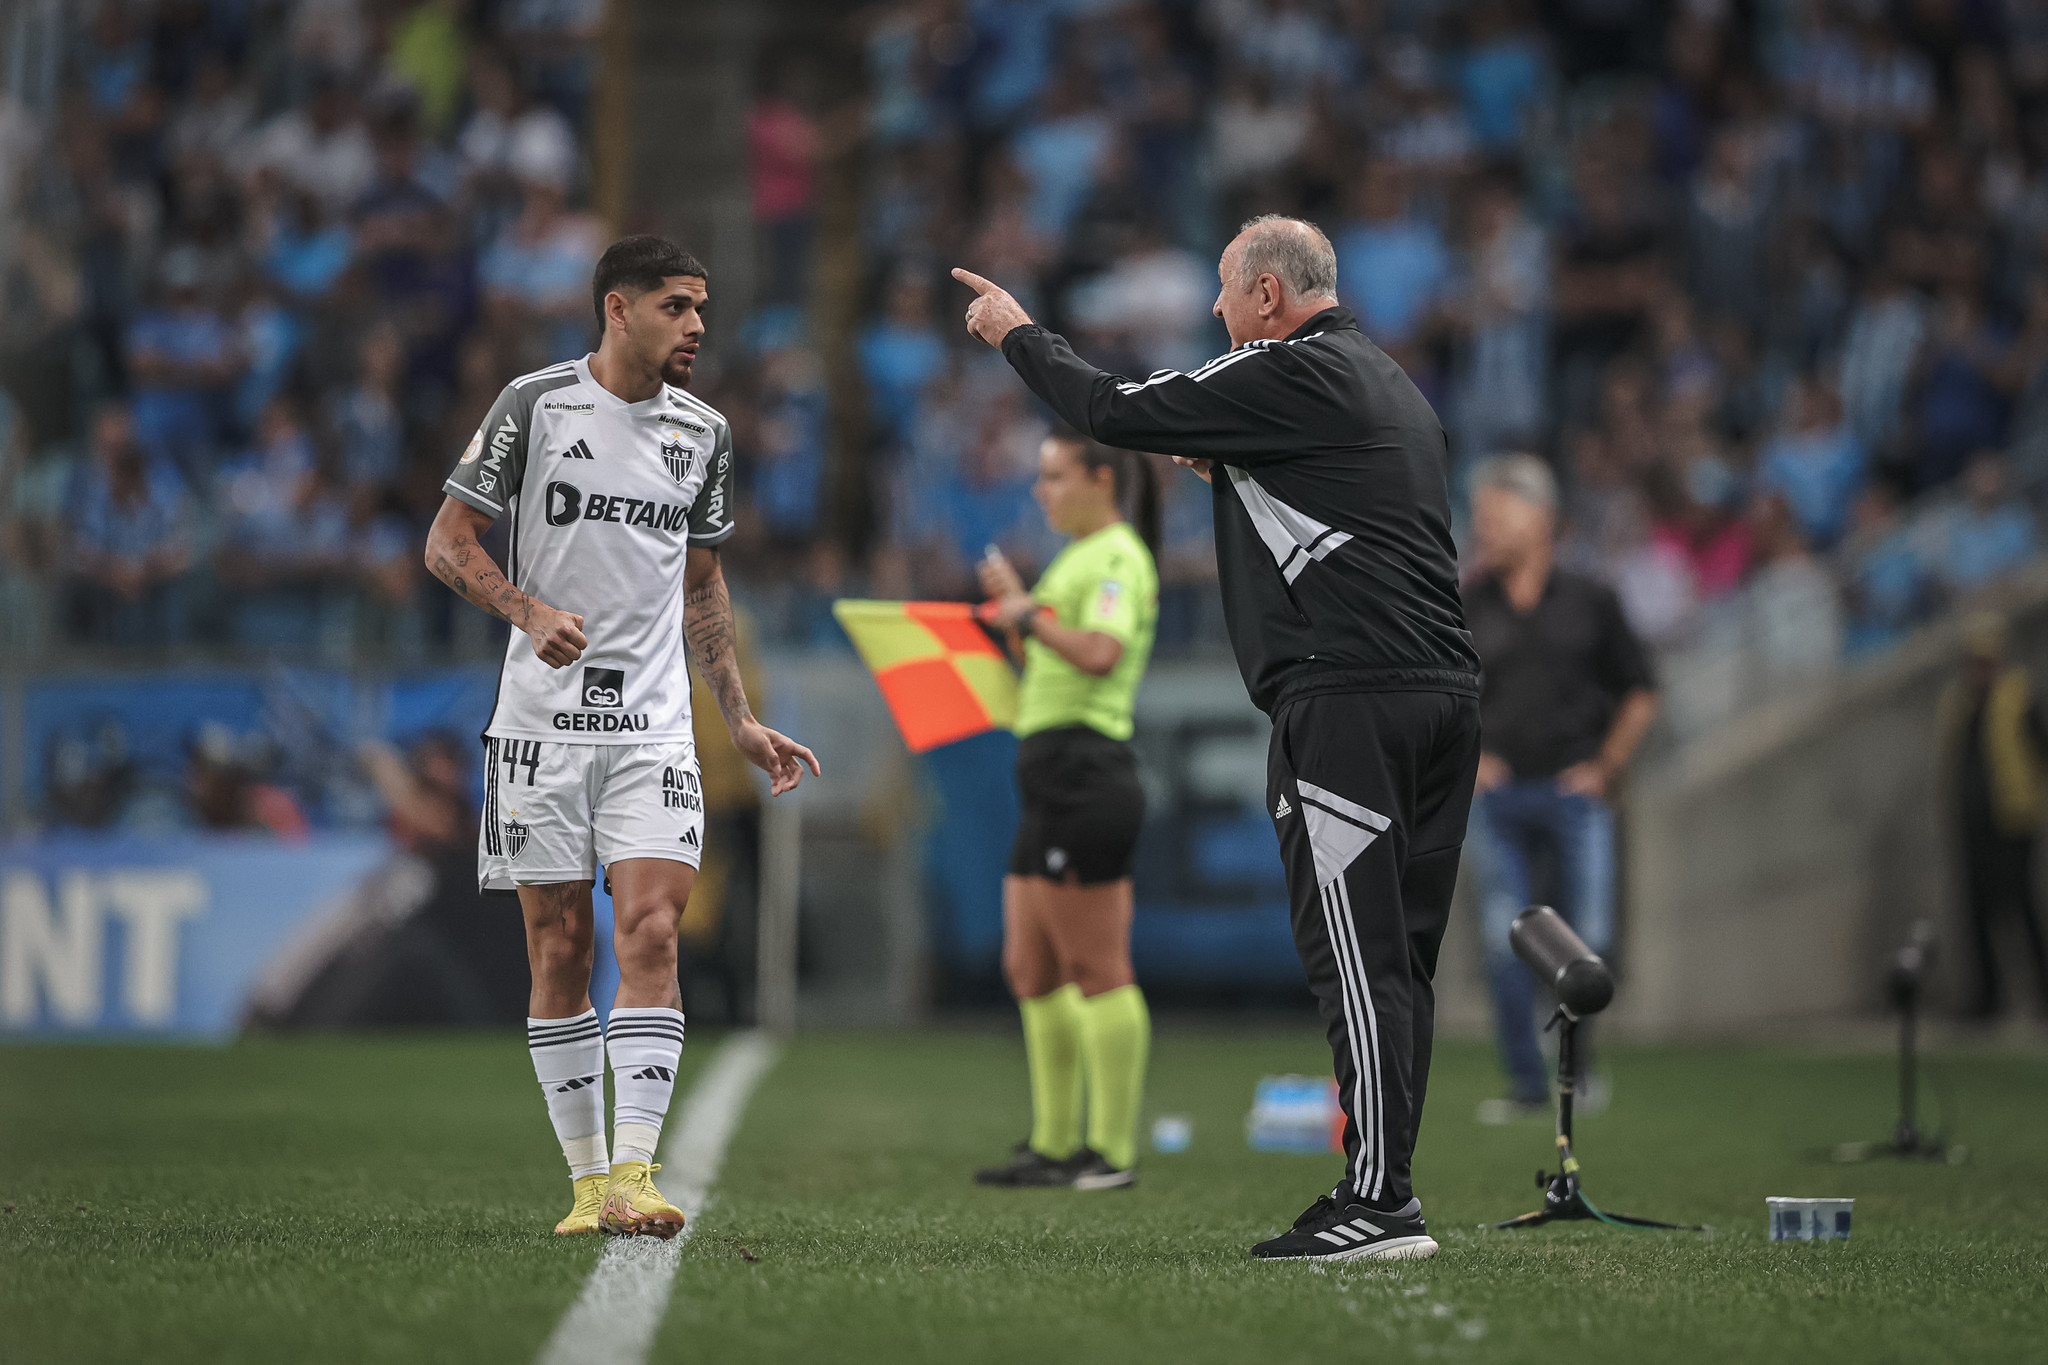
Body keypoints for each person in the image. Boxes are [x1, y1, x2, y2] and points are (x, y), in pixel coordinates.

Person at [954, 214, 1482, 1263]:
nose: (1214, 308)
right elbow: (1341, 504)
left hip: (1348, 698)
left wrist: (1015, 331)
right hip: (1442, 694)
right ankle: (1380, 1185)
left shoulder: (1282, 367)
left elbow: (1110, 409)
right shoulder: (1390, 384)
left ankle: (1379, 1199)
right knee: (1399, 961)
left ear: (1268, 297)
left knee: (1355, 957)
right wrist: (1230, 467)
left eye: (1226, 290)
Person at [424, 236, 820, 1239]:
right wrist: (525, 610)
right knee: (560, 946)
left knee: (650, 931)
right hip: (538, 729)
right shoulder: (534, 406)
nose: (697, 325)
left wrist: (737, 717)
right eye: (677, 306)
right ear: (617, 309)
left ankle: (637, 1174)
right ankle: (587, 1183)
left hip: (653, 729)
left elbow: (703, 584)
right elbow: (446, 542)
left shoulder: (705, 433)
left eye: (702, 308)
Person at [970, 424, 1161, 1192]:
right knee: (1031, 964)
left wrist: (1028, 615)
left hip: (1088, 773)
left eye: (1054, 476)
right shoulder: (1075, 558)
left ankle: (1110, 1151)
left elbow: (1101, 654)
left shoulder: (1116, 556)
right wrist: (1018, 615)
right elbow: (1049, 654)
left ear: (1101, 479)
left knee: (1097, 965)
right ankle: (1053, 1143)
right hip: (1051, 778)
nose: (1041, 490)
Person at [1462, 454, 1658, 1121]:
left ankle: (1577, 1071)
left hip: (1575, 794)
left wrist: (1607, 765)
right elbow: (1443, 695)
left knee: (1587, 940)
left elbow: (1640, 690)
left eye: (1496, 514)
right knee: (1503, 940)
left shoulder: (1591, 599)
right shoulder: (1469, 601)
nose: (1484, 528)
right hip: (1500, 800)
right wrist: (1471, 755)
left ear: (1540, 517)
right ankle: (1524, 1083)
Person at [1937, 614, 2048, 1020]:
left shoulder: (2018, 695)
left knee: (2021, 906)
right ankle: (1987, 1000)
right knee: (1977, 911)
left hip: (2014, 820)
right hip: (1973, 823)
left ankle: (2042, 993)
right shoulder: (1959, 702)